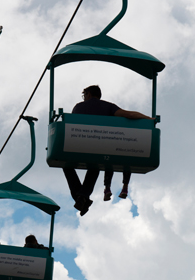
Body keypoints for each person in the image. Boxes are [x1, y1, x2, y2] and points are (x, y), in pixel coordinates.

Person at [64, 86, 152, 214]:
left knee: (66, 164)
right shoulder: (108, 106)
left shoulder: (78, 107)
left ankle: (81, 197)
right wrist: (149, 119)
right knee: (96, 164)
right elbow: (129, 115)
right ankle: (82, 197)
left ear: (88, 94)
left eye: (84, 95)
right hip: (100, 146)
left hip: (79, 143)